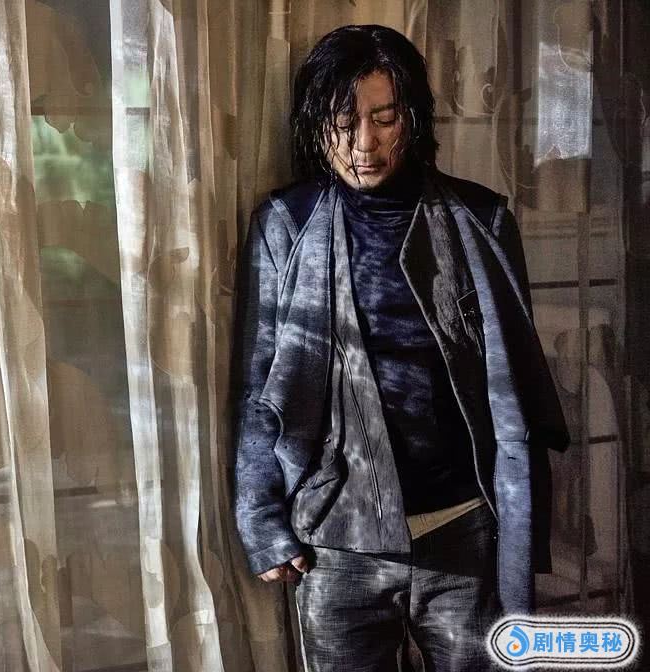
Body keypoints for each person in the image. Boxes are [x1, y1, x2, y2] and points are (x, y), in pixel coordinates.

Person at [231, 24, 570, 672]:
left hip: (463, 528)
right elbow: (257, 384)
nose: (363, 144)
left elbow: (517, 389)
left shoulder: (482, 219)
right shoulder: (285, 225)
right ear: (316, 126)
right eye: (342, 123)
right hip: (337, 539)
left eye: (383, 120)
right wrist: (261, 521)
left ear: (410, 119)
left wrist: (519, 521)